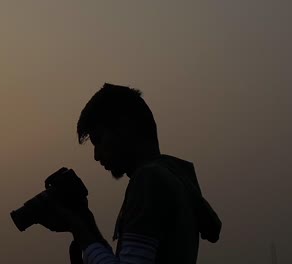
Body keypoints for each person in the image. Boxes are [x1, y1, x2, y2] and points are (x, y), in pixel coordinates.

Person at [41, 83, 222, 264]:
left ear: (125, 127)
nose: (96, 156)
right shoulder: (175, 178)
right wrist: (85, 225)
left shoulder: (149, 180)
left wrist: (81, 230)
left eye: (98, 140)